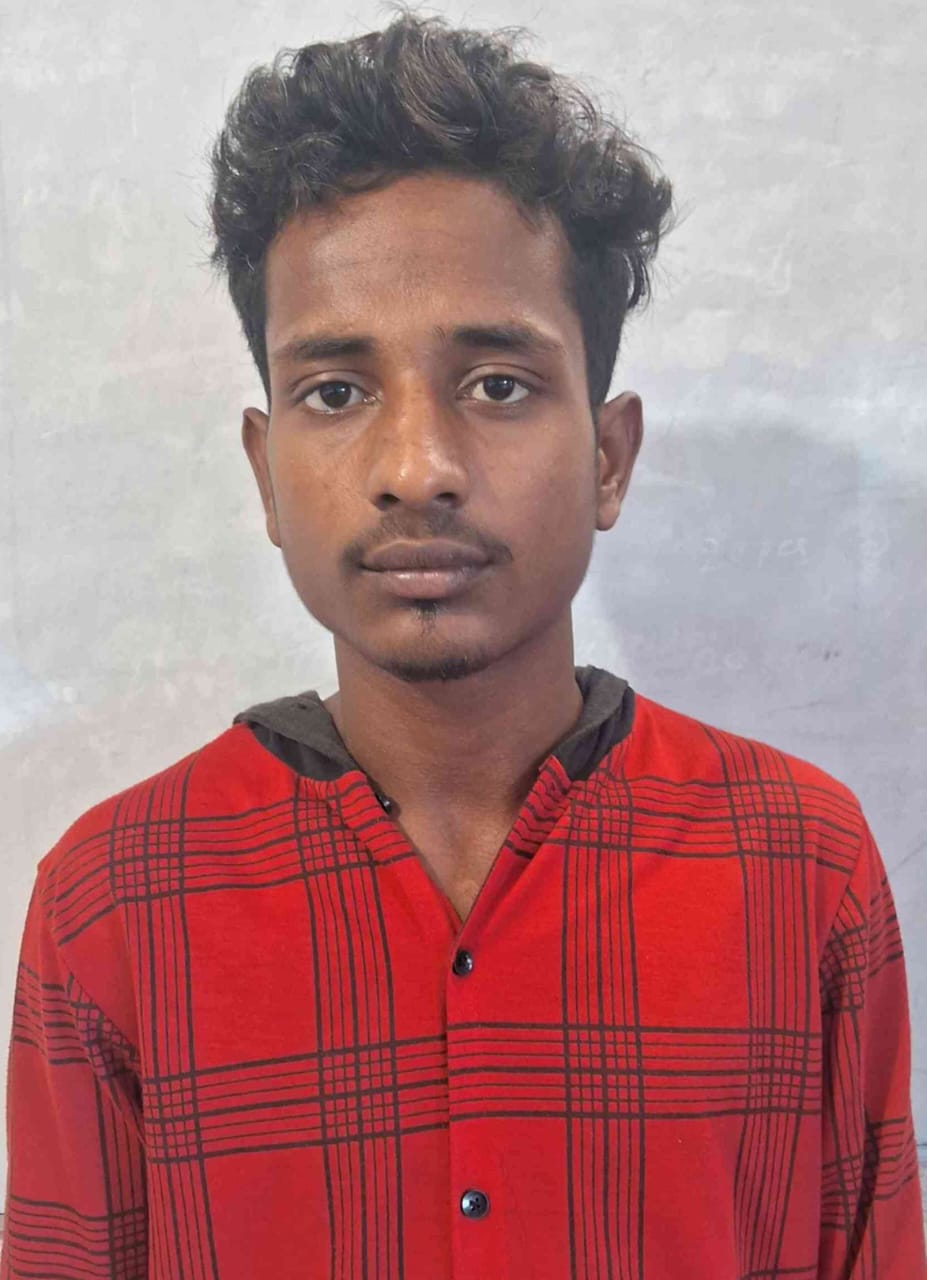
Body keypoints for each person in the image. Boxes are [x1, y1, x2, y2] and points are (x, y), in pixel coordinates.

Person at [2, 8, 924, 1278]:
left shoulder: (800, 866)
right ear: (266, 473)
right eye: (336, 390)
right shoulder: (115, 899)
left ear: (609, 457)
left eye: (497, 383)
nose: (418, 466)